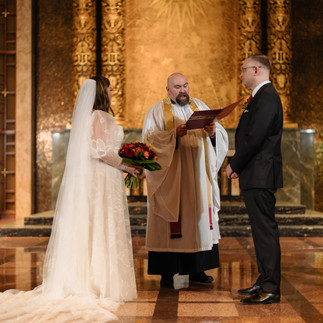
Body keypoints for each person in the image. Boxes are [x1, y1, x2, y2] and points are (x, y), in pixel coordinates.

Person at [0, 77, 137, 321]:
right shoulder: (99, 116)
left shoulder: (92, 116)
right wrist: (126, 165)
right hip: (103, 176)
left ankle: (96, 278)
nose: (113, 94)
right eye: (110, 90)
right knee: (100, 225)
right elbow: (100, 150)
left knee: (96, 224)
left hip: (102, 175)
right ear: (102, 93)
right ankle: (99, 281)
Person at [142, 73, 228, 288]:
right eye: (177, 86)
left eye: (185, 86)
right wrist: (173, 135)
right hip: (172, 179)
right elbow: (149, 142)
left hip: (199, 177)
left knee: (197, 221)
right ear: (168, 89)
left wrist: (213, 132)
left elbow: (220, 135)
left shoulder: (199, 106)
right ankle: (167, 272)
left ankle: (197, 269)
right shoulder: (156, 110)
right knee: (172, 222)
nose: (183, 90)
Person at [226, 54, 283, 304]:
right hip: (255, 173)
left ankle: (271, 287)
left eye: (243, 70)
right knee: (260, 232)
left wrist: (235, 163)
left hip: (261, 174)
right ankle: (264, 280)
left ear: (256, 70)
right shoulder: (261, 97)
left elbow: (255, 136)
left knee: (265, 232)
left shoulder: (267, 97)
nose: (241, 75)